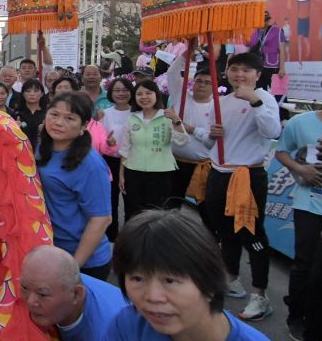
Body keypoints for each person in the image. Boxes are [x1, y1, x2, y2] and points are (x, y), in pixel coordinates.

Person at [55, 209, 322, 341]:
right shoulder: (132, 324)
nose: (152, 296)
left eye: (170, 280)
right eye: (137, 278)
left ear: (209, 281)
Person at [200, 52, 281, 320]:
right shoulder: (220, 102)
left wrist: (255, 101)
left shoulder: (265, 98)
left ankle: (260, 295)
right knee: (224, 230)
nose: (240, 75)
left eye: (247, 70)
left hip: (248, 176)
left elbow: (272, 132)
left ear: (258, 75)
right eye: (235, 69)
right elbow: (208, 143)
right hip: (219, 173)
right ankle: (231, 278)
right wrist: (211, 135)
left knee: (252, 234)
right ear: (227, 72)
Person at [37, 93, 113, 279]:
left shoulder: (90, 164)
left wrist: (74, 267)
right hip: (52, 250)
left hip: (83, 260)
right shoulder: (42, 149)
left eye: (69, 118)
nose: (58, 122)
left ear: (83, 127)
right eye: (54, 114)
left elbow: (101, 219)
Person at [274, 101, 322, 341]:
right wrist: (300, 169)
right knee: (305, 264)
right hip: (310, 203)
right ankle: (297, 316)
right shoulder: (300, 123)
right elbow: (281, 151)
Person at [117, 80, 188, 220]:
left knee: (157, 214)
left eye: (148, 93)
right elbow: (125, 149)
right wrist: (121, 174)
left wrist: (176, 121)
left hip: (161, 173)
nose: (144, 97)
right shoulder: (132, 118)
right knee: (134, 212)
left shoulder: (167, 117)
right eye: (139, 94)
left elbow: (182, 141)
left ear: (157, 95)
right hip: (134, 172)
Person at [165, 57, 215, 199]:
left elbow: (211, 139)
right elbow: (172, 73)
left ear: (214, 86)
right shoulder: (182, 98)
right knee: (171, 204)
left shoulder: (217, 107)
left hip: (202, 166)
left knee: (203, 208)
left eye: (207, 82)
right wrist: (186, 54)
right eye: (198, 81)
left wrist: (192, 129)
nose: (201, 85)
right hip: (175, 163)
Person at [99, 77, 134, 241]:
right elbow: (98, 137)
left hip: (131, 162)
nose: (121, 93)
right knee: (110, 201)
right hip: (110, 161)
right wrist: (107, 141)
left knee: (131, 202)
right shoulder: (105, 114)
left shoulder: (137, 113)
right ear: (111, 93)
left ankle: (130, 237)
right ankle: (111, 237)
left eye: (125, 89)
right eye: (117, 90)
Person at [248, 10, 288, 90]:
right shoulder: (254, 33)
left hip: (273, 66)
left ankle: (279, 102)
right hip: (258, 67)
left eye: (265, 20)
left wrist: (282, 68)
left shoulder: (278, 31)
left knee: (278, 91)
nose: (263, 22)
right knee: (259, 92)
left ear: (268, 20)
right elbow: (250, 50)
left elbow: (282, 50)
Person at [12, 79, 47, 152]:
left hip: (43, 154)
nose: (32, 94)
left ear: (42, 94)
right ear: (23, 94)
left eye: (36, 91)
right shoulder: (16, 114)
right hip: (21, 153)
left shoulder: (48, 114)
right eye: (28, 91)